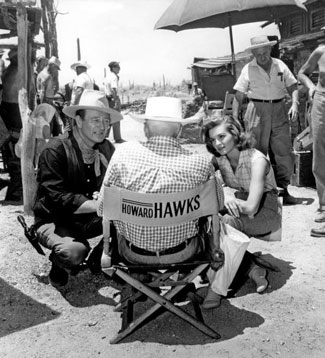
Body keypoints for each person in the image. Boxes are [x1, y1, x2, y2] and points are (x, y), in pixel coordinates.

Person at [97, 96, 226, 308]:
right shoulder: (200, 163)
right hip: (184, 252)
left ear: (146, 129)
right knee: (202, 224)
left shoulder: (122, 155)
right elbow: (218, 204)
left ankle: (143, 283)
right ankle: (181, 283)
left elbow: (103, 209)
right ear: (179, 131)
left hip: (133, 253)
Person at [33, 90, 122, 287]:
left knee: (129, 220)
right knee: (73, 252)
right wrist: (99, 205)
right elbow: (57, 198)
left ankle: (98, 259)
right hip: (55, 219)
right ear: (78, 121)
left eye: (106, 121)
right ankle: (59, 263)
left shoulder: (107, 149)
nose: (103, 127)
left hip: (91, 217)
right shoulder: (55, 150)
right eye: (95, 120)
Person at [202, 116, 276, 307]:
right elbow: (204, 184)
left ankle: (216, 289)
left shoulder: (257, 159)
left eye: (222, 136)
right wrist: (225, 196)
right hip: (239, 206)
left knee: (224, 224)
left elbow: (251, 207)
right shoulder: (219, 158)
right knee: (207, 222)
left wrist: (222, 201)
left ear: (235, 134)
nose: (217, 143)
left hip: (266, 212)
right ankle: (252, 268)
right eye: (212, 139)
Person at [233, 36, 299, 205]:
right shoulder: (248, 68)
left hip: (279, 109)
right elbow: (239, 95)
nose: (262, 56)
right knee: (255, 153)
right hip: (256, 110)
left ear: (270, 50)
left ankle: (283, 191)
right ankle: (258, 194)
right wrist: (234, 118)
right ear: (254, 53)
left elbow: (293, 86)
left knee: (283, 152)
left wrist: (295, 105)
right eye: (258, 53)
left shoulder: (280, 65)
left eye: (265, 52)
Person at [298, 45, 325, 236]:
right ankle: (324, 206)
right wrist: (311, 87)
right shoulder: (320, 51)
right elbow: (302, 73)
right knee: (320, 156)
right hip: (322, 102)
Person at [0, 48, 22, 201]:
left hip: (9, 109)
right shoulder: (16, 71)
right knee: (15, 149)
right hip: (13, 111)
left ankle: (14, 188)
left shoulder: (10, 70)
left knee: (12, 149)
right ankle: (14, 190)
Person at [104, 61, 125, 143]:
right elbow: (113, 89)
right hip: (112, 98)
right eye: (117, 67)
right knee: (116, 117)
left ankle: (104, 136)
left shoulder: (107, 76)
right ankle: (118, 138)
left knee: (108, 118)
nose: (119, 68)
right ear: (113, 68)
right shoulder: (114, 77)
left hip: (107, 99)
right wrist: (115, 100)